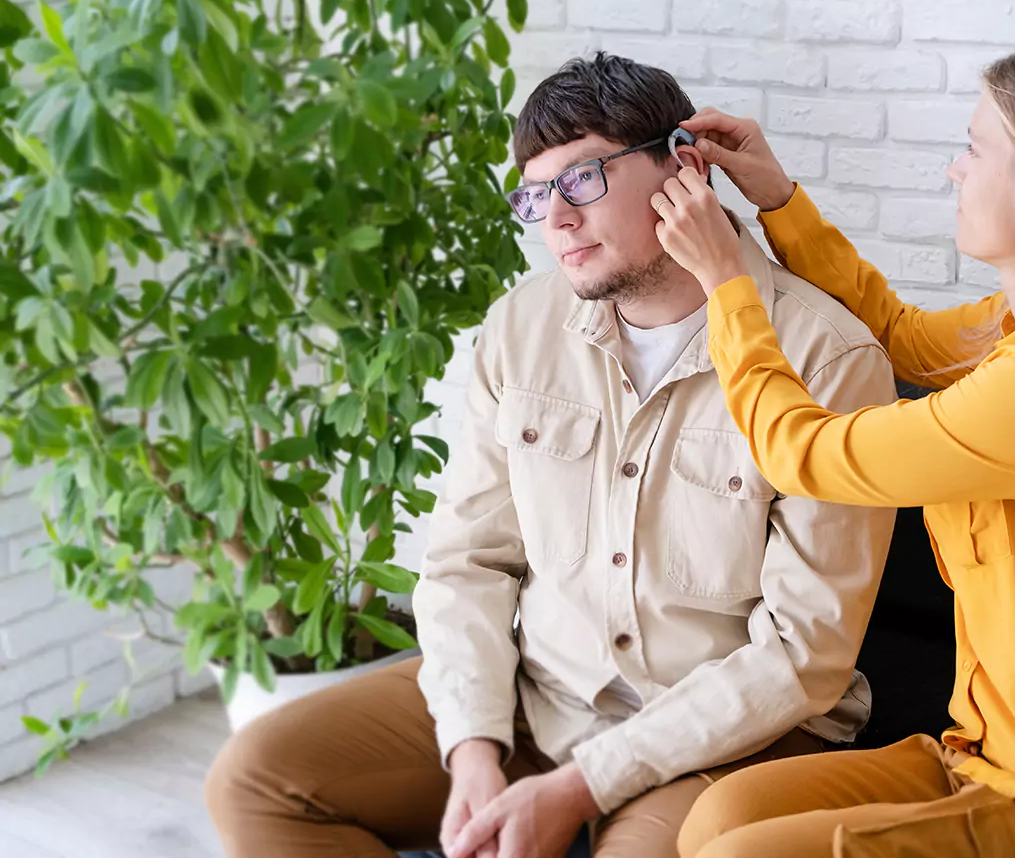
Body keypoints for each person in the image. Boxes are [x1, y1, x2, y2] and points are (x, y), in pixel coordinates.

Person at [203, 53, 897, 858]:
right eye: (536, 194)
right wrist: (471, 750)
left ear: (684, 166)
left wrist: (579, 786)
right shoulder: (520, 329)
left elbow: (803, 655)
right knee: (254, 779)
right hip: (545, 698)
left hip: (729, 741)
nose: (555, 219)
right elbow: (467, 562)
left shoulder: (828, 358)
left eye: (584, 179)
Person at [650, 39, 1015, 858]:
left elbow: (804, 453)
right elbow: (897, 334)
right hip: (986, 761)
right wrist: (779, 198)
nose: (955, 171)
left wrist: (726, 284)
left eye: (974, 149)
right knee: (717, 819)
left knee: (737, 854)